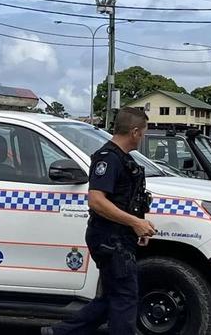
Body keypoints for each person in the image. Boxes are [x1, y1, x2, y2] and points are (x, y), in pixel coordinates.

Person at [42, 107, 156, 335]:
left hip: (120, 237)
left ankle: (60, 332)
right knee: (125, 297)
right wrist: (134, 222)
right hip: (110, 239)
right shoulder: (109, 159)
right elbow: (96, 200)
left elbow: (124, 199)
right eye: (143, 133)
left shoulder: (123, 160)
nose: (142, 138)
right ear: (134, 132)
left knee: (112, 298)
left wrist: (138, 226)